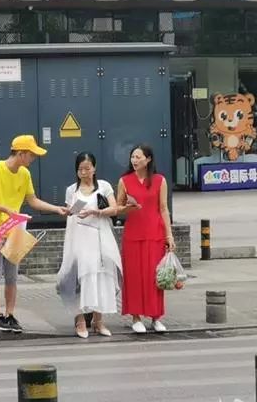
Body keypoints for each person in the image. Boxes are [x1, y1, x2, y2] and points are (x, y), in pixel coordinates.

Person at [0, 135, 68, 333]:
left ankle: (9, 315)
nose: (33, 159)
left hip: (15, 231)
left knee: (12, 276)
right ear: (20, 154)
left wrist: (56, 209)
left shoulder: (25, 174)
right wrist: (5, 209)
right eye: (31, 155)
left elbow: (32, 200)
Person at [56, 152, 122, 338]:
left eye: (87, 168)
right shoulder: (72, 190)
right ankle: (80, 321)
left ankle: (98, 321)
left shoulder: (104, 187)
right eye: (80, 169)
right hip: (79, 239)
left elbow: (114, 209)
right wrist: (71, 212)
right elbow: (71, 214)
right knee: (80, 278)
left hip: (100, 238)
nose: (84, 173)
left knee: (101, 277)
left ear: (94, 168)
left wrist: (95, 212)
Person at [117, 144, 175, 334]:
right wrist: (128, 207)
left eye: (138, 157)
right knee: (134, 276)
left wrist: (169, 235)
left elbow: (164, 208)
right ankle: (136, 317)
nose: (134, 160)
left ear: (148, 159)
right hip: (133, 235)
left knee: (153, 277)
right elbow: (118, 208)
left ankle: (156, 317)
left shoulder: (159, 180)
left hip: (155, 234)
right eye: (132, 157)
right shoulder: (124, 181)